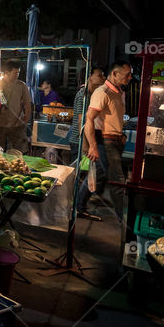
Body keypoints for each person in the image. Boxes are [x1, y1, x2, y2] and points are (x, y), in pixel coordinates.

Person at [79, 61, 133, 220]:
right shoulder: (102, 92)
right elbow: (89, 120)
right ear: (115, 74)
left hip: (115, 140)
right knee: (118, 180)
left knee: (99, 175)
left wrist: (120, 134)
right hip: (104, 141)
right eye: (127, 74)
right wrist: (92, 146)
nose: (130, 77)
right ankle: (124, 219)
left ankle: (79, 207)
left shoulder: (119, 92)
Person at [68, 66, 106, 216]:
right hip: (79, 140)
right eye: (99, 75)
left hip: (87, 140)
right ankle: (74, 205)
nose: (102, 77)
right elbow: (80, 120)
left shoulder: (94, 94)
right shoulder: (82, 95)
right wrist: (85, 143)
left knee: (86, 173)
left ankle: (78, 204)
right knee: (77, 174)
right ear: (89, 77)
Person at [0, 60, 32, 153]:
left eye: (18, 73)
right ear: (6, 73)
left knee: (18, 151)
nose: (17, 75)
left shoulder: (21, 85)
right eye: (15, 73)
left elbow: (27, 104)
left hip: (16, 124)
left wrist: (26, 119)